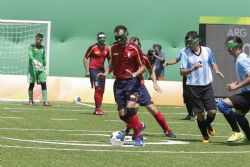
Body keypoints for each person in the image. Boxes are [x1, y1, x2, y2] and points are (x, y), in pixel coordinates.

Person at [97, 25, 146, 146]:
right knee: (122, 115)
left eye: (121, 37)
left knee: (130, 109)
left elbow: (143, 67)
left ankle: (137, 137)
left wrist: (134, 74)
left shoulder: (134, 48)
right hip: (118, 83)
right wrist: (106, 73)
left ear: (126, 35)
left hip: (132, 82)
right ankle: (138, 126)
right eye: (117, 37)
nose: (119, 40)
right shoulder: (113, 48)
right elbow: (112, 63)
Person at [124, 37, 176, 138]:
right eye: (132, 44)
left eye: (137, 45)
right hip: (128, 86)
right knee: (131, 110)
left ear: (139, 47)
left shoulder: (144, 57)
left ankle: (167, 130)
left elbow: (151, 71)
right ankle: (131, 128)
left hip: (139, 86)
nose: (134, 46)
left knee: (152, 108)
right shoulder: (125, 56)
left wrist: (155, 83)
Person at [180, 31, 224, 143]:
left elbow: (212, 62)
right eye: (187, 43)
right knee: (199, 114)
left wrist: (217, 71)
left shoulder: (207, 50)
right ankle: (205, 137)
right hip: (193, 87)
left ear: (198, 40)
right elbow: (182, 72)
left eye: (191, 43)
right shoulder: (185, 53)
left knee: (212, 112)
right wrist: (192, 69)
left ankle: (207, 124)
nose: (189, 45)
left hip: (206, 86)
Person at [217, 36, 249, 143]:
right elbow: (246, 76)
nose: (228, 48)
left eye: (230, 45)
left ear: (238, 47)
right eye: (227, 45)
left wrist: (237, 86)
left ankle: (237, 132)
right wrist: (236, 82)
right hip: (247, 93)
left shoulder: (241, 60)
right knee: (239, 115)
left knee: (222, 105)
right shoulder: (239, 58)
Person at [163, 32, 196, 121]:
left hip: (196, 77)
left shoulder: (198, 50)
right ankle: (190, 114)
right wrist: (168, 63)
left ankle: (197, 113)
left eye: (190, 39)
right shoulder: (183, 50)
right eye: (186, 39)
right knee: (186, 95)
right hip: (186, 76)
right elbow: (176, 59)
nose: (188, 41)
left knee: (194, 96)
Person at [83, 32, 111, 115]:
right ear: (98, 38)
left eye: (103, 37)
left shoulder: (107, 48)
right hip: (93, 70)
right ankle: (98, 109)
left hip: (102, 70)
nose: (102, 39)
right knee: (98, 88)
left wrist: (110, 70)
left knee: (102, 90)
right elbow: (85, 58)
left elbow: (110, 60)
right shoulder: (93, 47)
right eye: (100, 37)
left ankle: (97, 108)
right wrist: (87, 70)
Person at [28, 33, 51, 106]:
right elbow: (30, 55)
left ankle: (45, 101)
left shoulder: (43, 48)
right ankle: (30, 100)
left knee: (43, 83)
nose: (39, 41)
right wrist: (34, 61)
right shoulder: (31, 47)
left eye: (40, 40)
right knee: (32, 84)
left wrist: (45, 66)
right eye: (38, 39)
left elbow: (43, 58)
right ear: (36, 39)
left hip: (41, 68)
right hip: (32, 68)